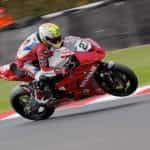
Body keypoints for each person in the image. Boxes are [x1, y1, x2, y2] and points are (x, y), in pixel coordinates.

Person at [13, 22, 105, 108]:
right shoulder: (42, 48)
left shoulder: (45, 36)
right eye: (54, 40)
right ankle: (47, 97)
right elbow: (46, 69)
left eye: (58, 37)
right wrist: (62, 70)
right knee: (43, 76)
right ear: (45, 39)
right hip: (25, 64)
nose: (57, 41)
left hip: (34, 55)